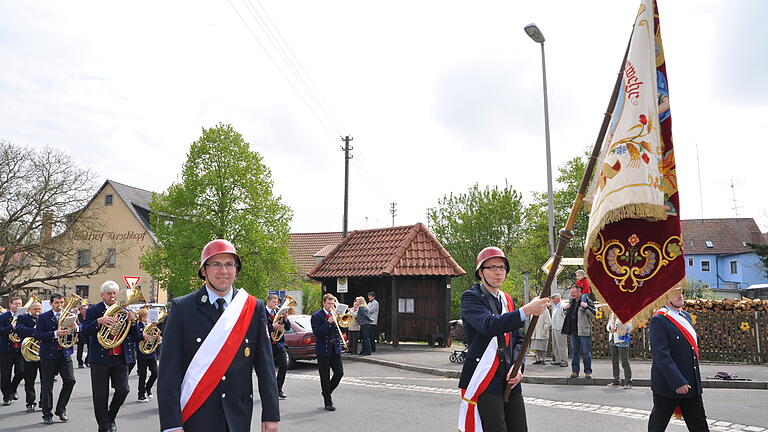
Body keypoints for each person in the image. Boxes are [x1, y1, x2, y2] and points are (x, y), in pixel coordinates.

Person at [158, 239, 279, 432]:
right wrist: (172, 425)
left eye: (229, 264)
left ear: (236, 270)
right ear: (203, 270)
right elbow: (168, 372)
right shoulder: (183, 308)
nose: (223, 270)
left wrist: (271, 415)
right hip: (196, 413)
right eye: (215, 264)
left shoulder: (252, 307)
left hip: (238, 415)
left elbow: (265, 366)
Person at [458, 247, 548, 432]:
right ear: (480, 272)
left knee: (519, 428)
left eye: (502, 267)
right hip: (485, 377)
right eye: (491, 267)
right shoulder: (471, 298)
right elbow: (489, 325)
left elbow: (519, 340)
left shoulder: (507, 300)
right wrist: (526, 311)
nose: (498, 272)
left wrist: (518, 366)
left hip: (510, 376)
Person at [81, 280, 143, 432]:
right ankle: (104, 426)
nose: (113, 296)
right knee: (100, 395)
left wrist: (133, 322)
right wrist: (98, 321)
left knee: (124, 390)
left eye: (115, 293)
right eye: (109, 293)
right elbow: (84, 332)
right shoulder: (94, 310)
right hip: (100, 359)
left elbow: (135, 336)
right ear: (102, 295)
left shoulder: (125, 309)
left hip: (120, 357)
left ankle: (110, 417)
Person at [647, 287, 710, 431]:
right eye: (675, 293)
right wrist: (678, 381)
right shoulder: (659, 319)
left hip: (690, 383)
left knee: (699, 423)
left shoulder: (686, 316)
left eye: (681, 292)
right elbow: (661, 355)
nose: (680, 296)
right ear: (665, 297)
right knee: (658, 424)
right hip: (668, 384)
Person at [33, 293, 78, 425]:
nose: (60, 305)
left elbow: (74, 335)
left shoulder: (69, 316)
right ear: (51, 304)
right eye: (57, 303)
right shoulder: (43, 317)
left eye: (61, 302)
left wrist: (75, 329)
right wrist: (54, 333)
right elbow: (38, 334)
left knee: (70, 380)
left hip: (64, 353)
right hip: (48, 355)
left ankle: (61, 409)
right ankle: (47, 414)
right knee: (47, 385)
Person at [311, 293, 345, 411]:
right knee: (324, 377)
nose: (331, 306)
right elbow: (318, 333)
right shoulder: (316, 316)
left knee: (339, 373)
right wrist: (328, 322)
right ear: (324, 303)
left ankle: (326, 392)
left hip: (335, 349)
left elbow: (343, 329)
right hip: (323, 350)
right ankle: (328, 402)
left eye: (332, 303)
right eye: (329, 303)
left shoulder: (336, 314)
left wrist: (340, 320)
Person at [561, 285, 595, 379]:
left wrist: (586, 307)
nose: (572, 294)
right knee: (574, 352)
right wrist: (565, 309)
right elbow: (567, 315)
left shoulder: (586, 301)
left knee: (586, 352)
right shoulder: (571, 302)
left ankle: (588, 372)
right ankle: (575, 371)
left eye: (573, 293)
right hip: (573, 331)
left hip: (583, 330)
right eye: (571, 293)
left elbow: (594, 314)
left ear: (579, 292)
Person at [15, 300, 42, 413]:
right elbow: (20, 330)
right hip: (29, 354)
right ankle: (30, 402)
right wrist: (36, 331)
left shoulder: (44, 317)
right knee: (29, 380)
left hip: (42, 353)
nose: (38, 311)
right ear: (29, 310)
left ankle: (44, 401)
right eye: (35, 309)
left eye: (39, 309)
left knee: (45, 380)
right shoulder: (23, 318)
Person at [0, 296, 25, 405]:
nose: (18, 306)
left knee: (21, 372)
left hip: (20, 349)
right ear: (10, 304)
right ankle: (6, 396)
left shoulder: (24, 317)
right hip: (6, 349)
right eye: (16, 304)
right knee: (5, 374)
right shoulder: (3, 317)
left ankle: (12, 389)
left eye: (20, 304)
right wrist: (12, 327)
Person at [266, 293, 290, 400]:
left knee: (284, 365)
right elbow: (260, 326)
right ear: (268, 301)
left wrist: (286, 319)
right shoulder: (263, 312)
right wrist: (272, 326)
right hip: (268, 344)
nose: (276, 304)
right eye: (274, 302)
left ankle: (278, 388)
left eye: (277, 302)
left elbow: (288, 328)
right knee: (269, 369)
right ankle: (269, 389)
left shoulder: (279, 313)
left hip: (279, 343)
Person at [136, 308, 159, 402]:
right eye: (145, 316)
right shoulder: (138, 326)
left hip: (151, 353)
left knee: (155, 373)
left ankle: (148, 388)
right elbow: (136, 337)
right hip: (142, 354)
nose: (147, 318)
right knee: (142, 375)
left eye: (147, 316)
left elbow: (156, 336)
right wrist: (142, 336)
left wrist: (158, 338)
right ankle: (141, 394)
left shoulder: (152, 326)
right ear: (141, 317)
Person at [606, 312, 633, 389]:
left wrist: (617, 328)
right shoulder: (612, 314)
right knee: (614, 361)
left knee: (624, 361)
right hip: (612, 339)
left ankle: (628, 381)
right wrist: (609, 328)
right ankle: (616, 379)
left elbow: (629, 327)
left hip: (622, 340)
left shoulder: (626, 314)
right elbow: (608, 324)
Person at [549, 293, 568, 367]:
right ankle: (558, 359)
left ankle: (564, 360)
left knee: (561, 345)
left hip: (560, 328)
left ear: (558, 299)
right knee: (555, 345)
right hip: (554, 327)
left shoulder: (562, 305)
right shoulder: (555, 306)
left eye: (553, 299)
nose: (552, 300)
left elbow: (565, 310)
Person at [530, 298, 551, 365]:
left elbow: (548, 322)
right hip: (536, 331)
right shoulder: (533, 310)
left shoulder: (545, 310)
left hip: (542, 331)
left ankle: (543, 359)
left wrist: (544, 329)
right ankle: (538, 359)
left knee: (543, 347)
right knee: (537, 347)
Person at [76, 304, 89, 368]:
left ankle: (87, 361)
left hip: (88, 333)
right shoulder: (77, 317)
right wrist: (76, 337)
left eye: (87, 309)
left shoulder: (89, 316)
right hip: (80, 334)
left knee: (90, 348)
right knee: (80, 349)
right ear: (80, 310)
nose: (86, 310)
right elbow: (75, 328)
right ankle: (80, 362)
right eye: (84, 309)